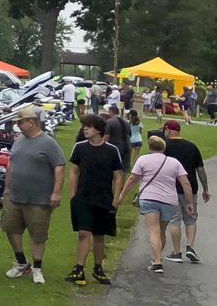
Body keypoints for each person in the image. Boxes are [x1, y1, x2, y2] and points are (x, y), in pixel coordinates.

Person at [1, 106, 65, 284]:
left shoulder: (48, 143)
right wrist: (7, 187)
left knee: (37, 234)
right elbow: (10, 164)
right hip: (15, 196)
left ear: (31, 122)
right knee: (10, 228)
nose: (18, 126)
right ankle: (22, 263)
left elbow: (59, 167)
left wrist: (56, 193)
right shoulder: (19, 140)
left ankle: (37, 268)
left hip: (38, 199)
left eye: (20, 122)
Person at [116, 135, 195, 274]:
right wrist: (189, 202)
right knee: (161, 230)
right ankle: (156, 257)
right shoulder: (174, 162)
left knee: (154, 230)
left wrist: (122, 195)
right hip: (169, 200)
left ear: (149, 147)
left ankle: (157, 261)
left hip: (149, 198)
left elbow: (133, 179)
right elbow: (186, 183)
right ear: (164, 148)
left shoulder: (143, 160)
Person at [65, 114, 125, 285]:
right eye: (84, 126)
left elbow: (118, 176)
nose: (85, 129)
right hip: (83, 197)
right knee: (84, 233)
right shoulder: (79, 148)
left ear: (98, 130)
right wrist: (72, 194)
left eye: (89, 127)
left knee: (99, 234)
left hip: (104, 198)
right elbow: (74, 171)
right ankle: (79, 268)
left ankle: (98, 268)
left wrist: (116, 198)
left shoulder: (112, 150)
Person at [155, 120, 208, 263]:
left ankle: (176, 252)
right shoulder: (192, 147)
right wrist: (206, 189)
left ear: (168, 130)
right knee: (191, 218)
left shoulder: (165, 147)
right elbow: (200, 170)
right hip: (190, 188)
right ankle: (190, 246)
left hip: (170, 189)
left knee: (175, 220)